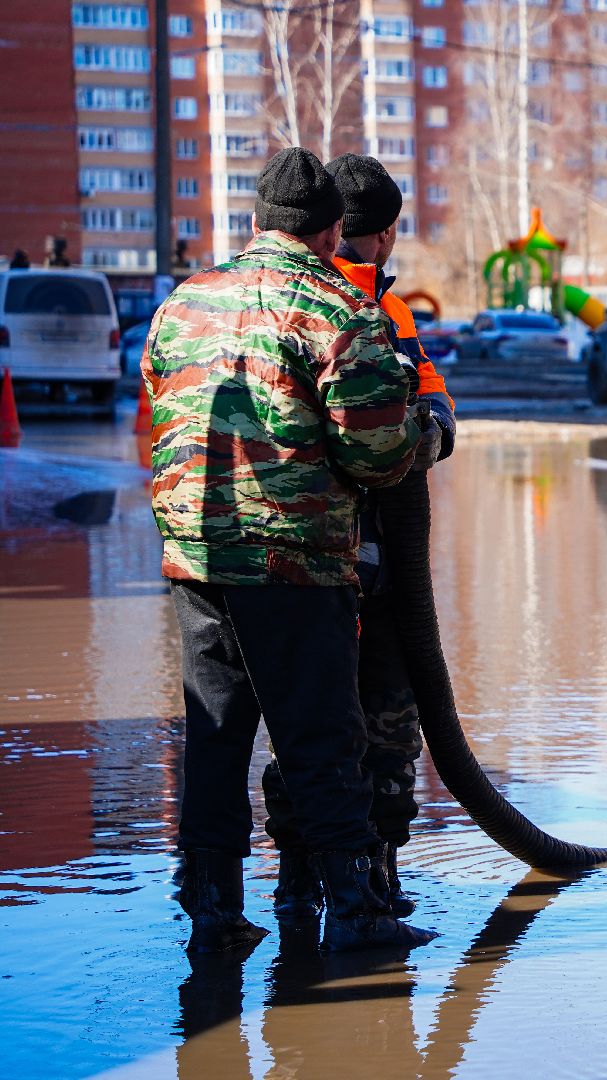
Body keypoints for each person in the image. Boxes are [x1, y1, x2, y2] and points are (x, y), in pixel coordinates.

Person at [143, 146, 435, 953]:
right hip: (294, 559)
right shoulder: (342, 313)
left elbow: (160, 399)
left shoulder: (182, 304)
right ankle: (356, 912)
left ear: (253, 222)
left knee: (216, 732)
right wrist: (428, 427)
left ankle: (211, 907)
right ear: (336, 229)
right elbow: (377, 455)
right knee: (319, 735)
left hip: (196, 556)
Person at [262, 153, 455, 923]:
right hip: (339, 560)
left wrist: (436, 417)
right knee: (354, 725)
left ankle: (338, 879)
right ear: (376, 234)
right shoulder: (343, 307)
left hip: (356, 565)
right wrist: (422, 431)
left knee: (332, 725)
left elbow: (426, 381)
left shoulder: (378, 307)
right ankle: (338, 882)